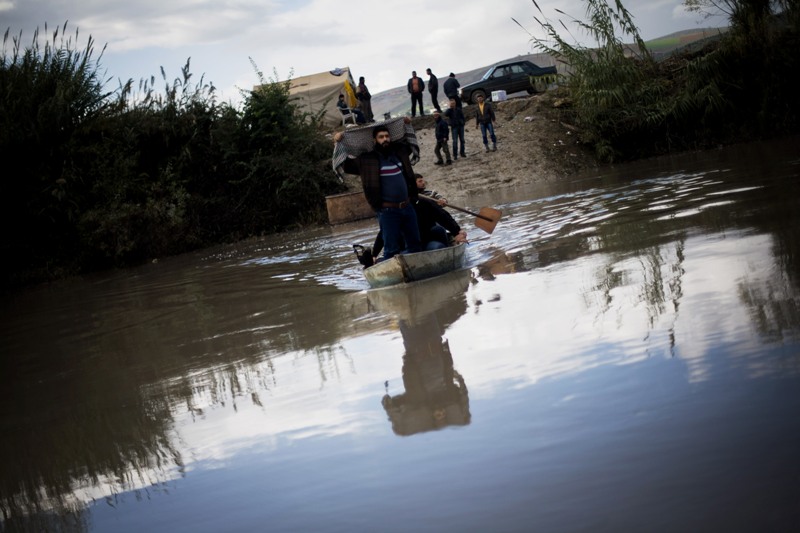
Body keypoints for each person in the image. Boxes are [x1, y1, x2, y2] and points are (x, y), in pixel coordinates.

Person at [335, 124, 421, 262]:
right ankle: (391, 274)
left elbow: (409, 140)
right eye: (381, 137)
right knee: (391, 248)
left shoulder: (399, 153)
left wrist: (407, 123)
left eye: (387, 136)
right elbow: (345, 165)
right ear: (374, 140)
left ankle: (418, 270)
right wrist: (338, 141)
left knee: (415, 244)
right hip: (387, 211)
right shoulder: (367, 160)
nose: (385, 139)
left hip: (407, 207)